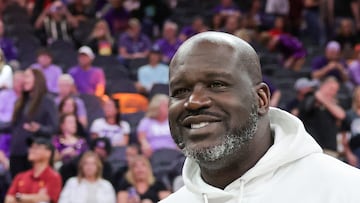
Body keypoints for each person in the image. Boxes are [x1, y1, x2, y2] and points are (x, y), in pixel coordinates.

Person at [161, 31, 360, 203]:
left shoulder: (345, 190)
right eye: (181, 90)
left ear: (261, 99)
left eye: (216, 84)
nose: (194, 102)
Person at [9, 69, 58, 177]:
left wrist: (39, 128)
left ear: (37, 79)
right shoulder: (20, 101)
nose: (24, 80)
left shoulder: (47, 101)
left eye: (27, 76)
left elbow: (54, 127)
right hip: (17, 151)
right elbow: (13, 126)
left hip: (35, 152)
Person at [5, 137, 62, 203]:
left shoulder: (54, 177)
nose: (31, 150)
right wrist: (32, 197)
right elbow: (8, 200)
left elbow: (47, 199)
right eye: (31, 147)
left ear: (48, 153)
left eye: (36, 148)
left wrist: (18, 197)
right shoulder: (20, 176)